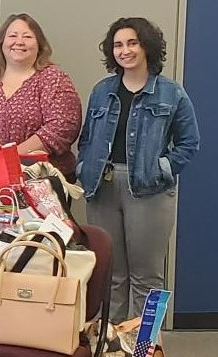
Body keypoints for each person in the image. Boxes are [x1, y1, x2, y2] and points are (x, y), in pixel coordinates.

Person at [78, 17, 200, 321]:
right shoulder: (102, 90)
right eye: (118, 44)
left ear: (147, 46)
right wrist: (84, 166)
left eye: (132, 43)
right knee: (112, 275)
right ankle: (113, 352)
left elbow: (189, 143)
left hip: (149, 191)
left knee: (147, 277)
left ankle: (142, 355)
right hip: (102, 188)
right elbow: (87, 138)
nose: (125, 50)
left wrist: (163, 168)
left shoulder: (171, 93)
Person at [0, 13, 82, 177]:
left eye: (27, 36)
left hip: (41, 181)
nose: (19, 42)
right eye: (12, 36)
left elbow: (61, 128)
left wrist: (9, 159)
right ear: (1, 43)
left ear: (39, 44)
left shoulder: (53, 79)